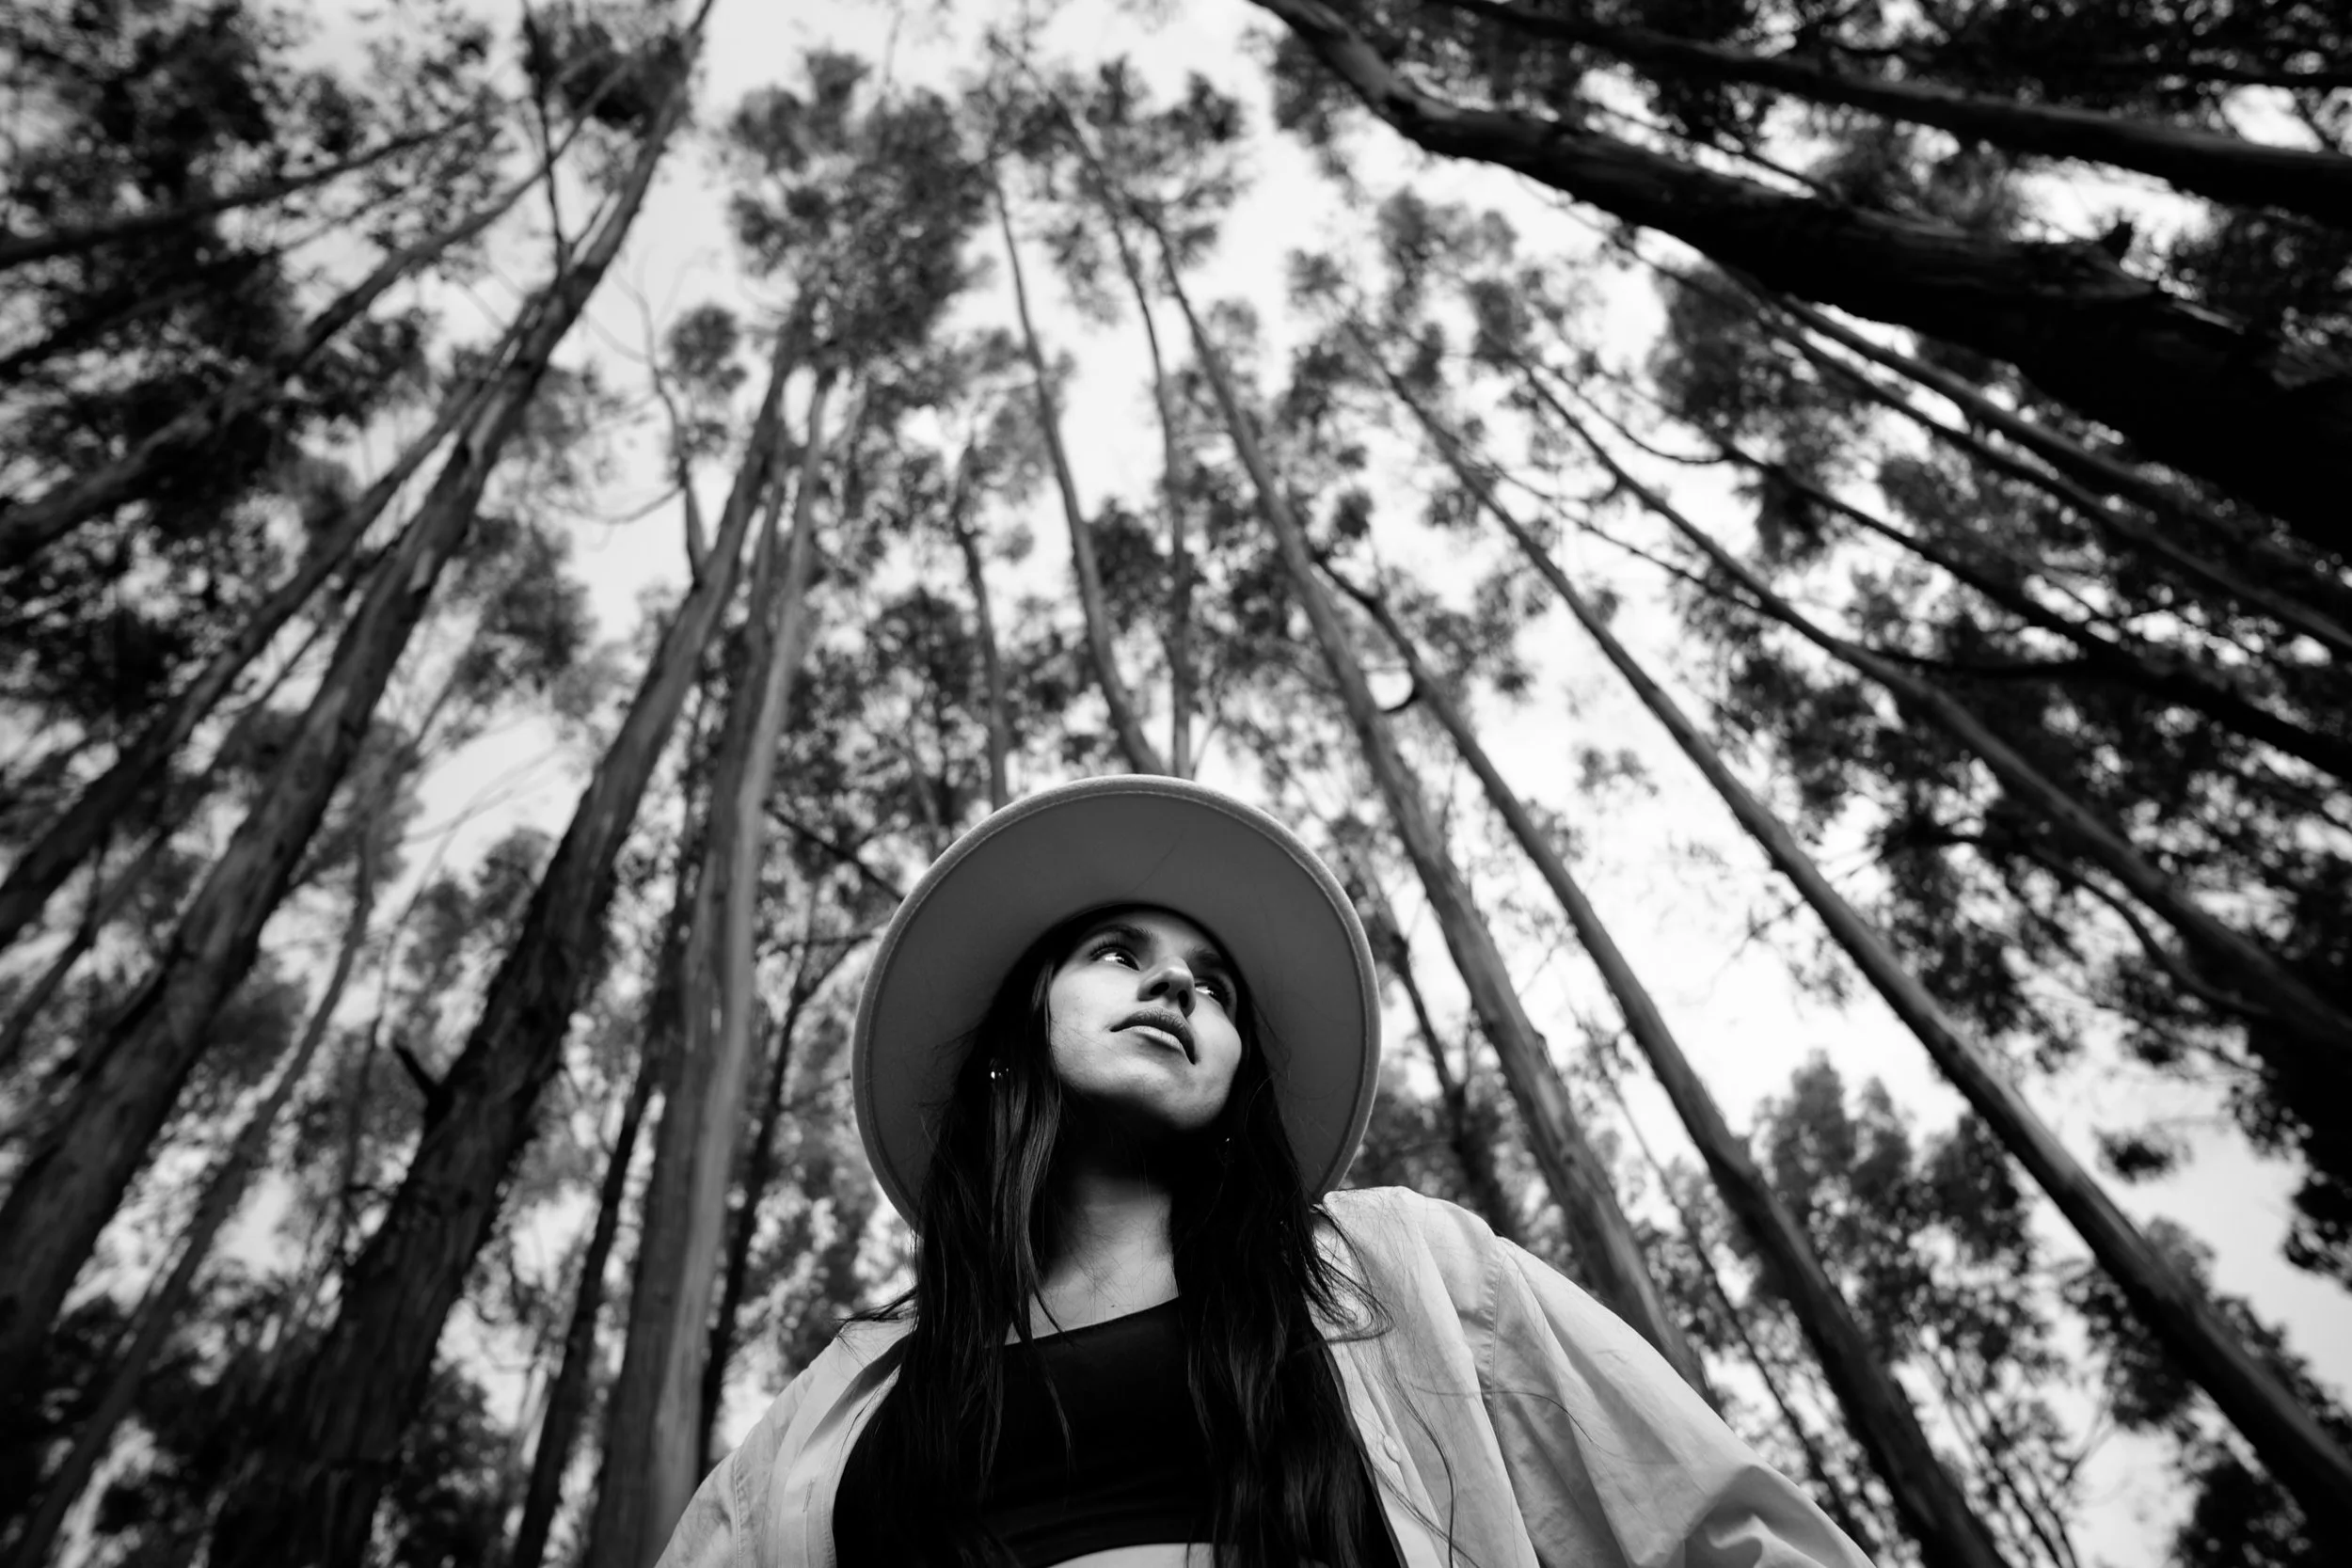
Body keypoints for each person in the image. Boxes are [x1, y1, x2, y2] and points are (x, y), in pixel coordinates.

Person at [655, 775, 1873, 1568]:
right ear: (1014, 1033)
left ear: (1236, 1076)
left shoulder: (1408, 1268)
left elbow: (1723, 1532)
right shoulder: (841, 1396)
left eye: (1214, 985)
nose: (1178, 984)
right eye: (1116, 953)